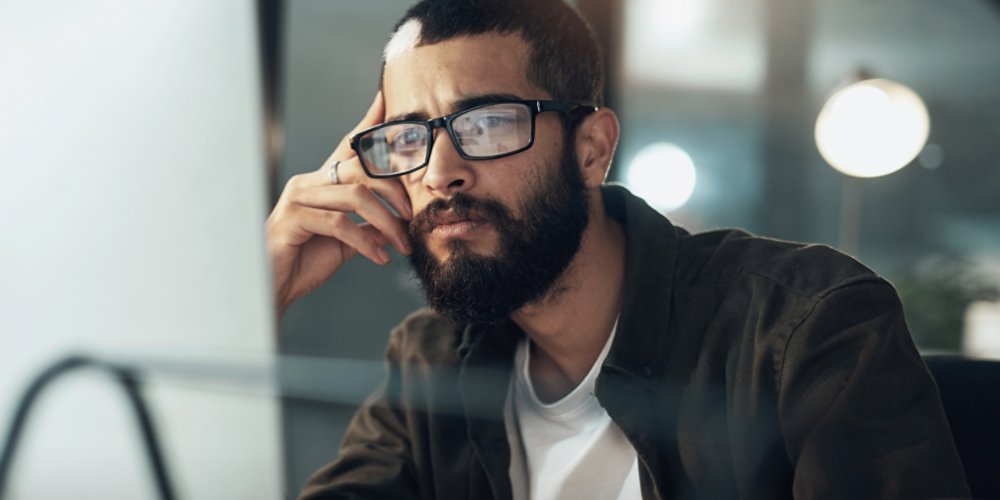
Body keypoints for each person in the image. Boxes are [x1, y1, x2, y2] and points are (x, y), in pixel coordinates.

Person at [266, 0, 970, 498]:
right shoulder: (430, 362)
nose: (437, 172)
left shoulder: (806, 327)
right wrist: (264, 288)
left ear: (593, 149)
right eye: (409, 137)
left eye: (486, 124)